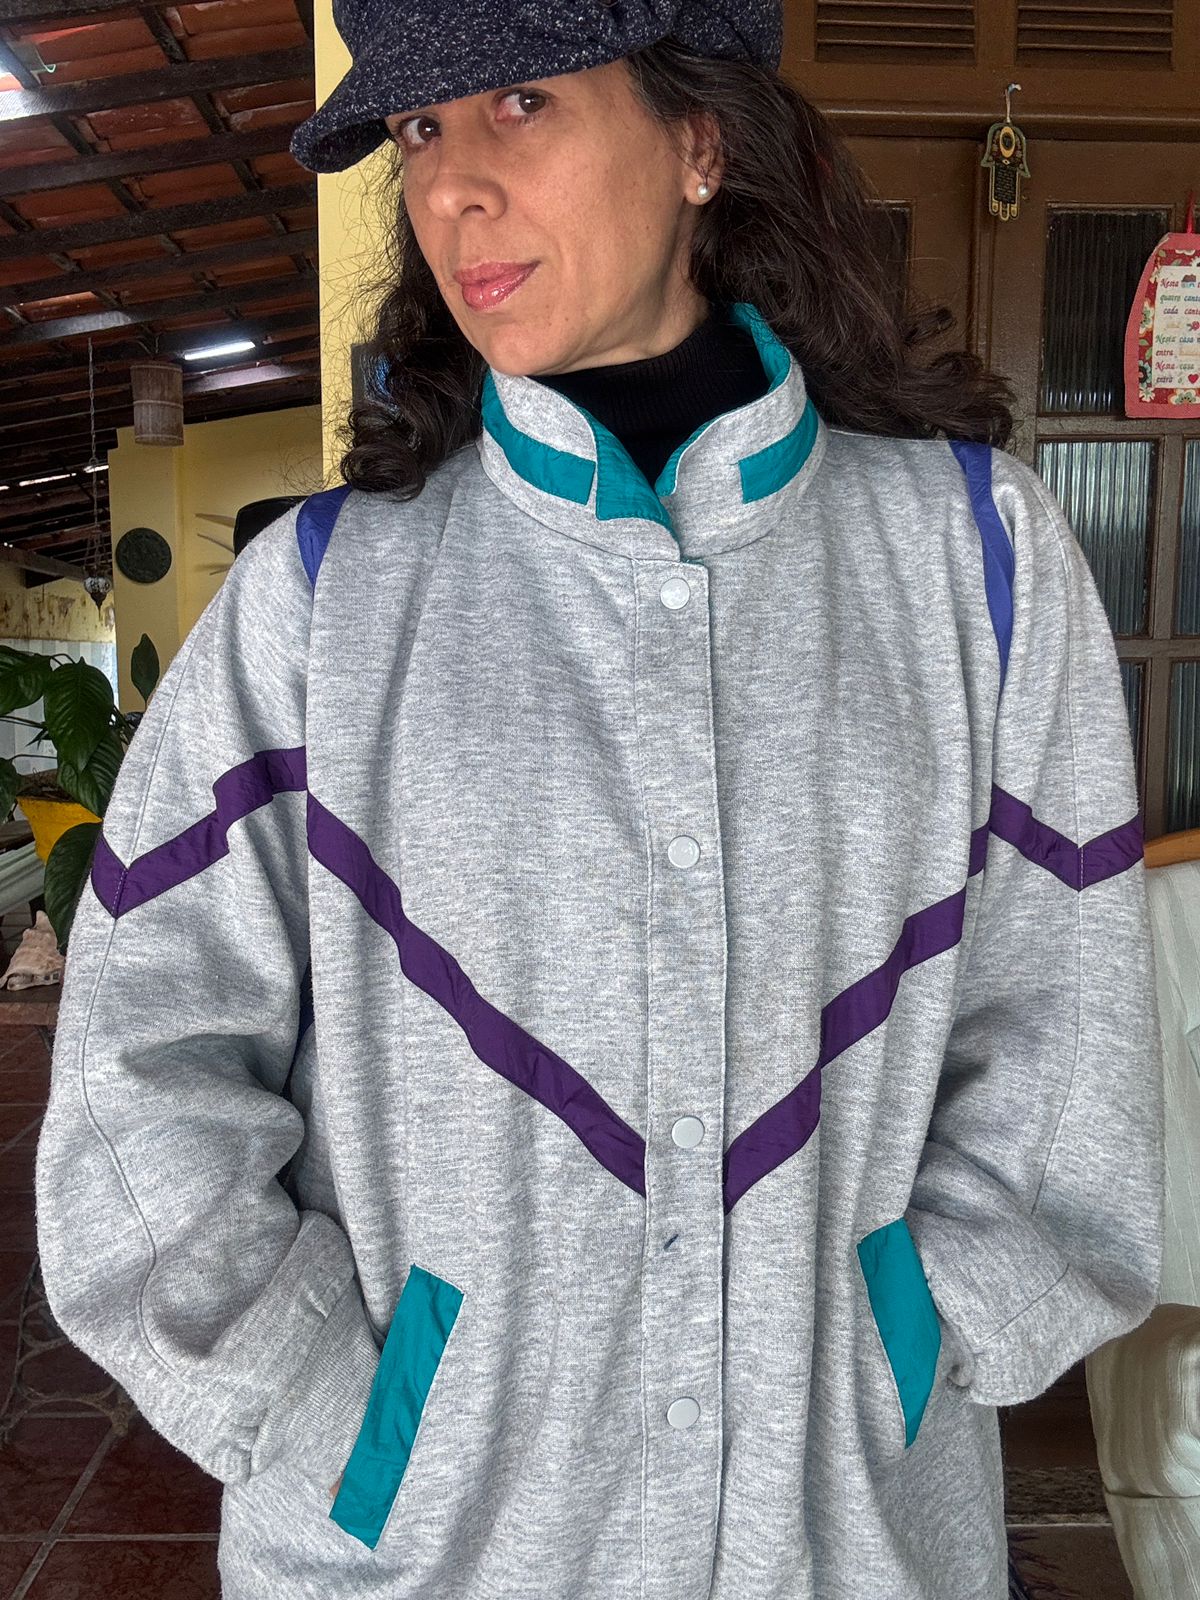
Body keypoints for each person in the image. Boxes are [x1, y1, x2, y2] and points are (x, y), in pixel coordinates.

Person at [34, 3, 1164, 1597]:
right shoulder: (324, 603)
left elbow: (1066, 1029)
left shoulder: (975, 563)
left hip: (848, 1545)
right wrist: (338, 1411)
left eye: (519, 104)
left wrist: (912, 1338)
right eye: (421, 129)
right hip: (424, 1559)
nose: (451, 186)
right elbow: (140, 1067)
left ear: (702, 140)